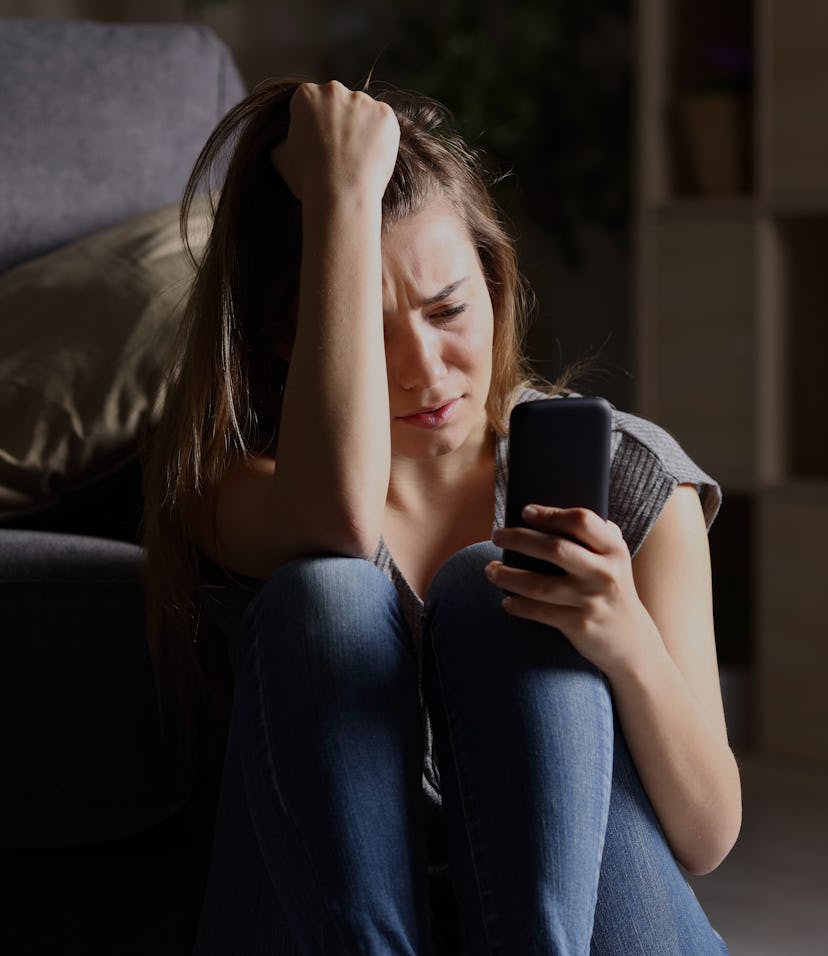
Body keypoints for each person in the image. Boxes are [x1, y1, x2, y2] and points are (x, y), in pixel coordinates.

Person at [143, 78, 741, 955]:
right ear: (292, 334)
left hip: (575, 929)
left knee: (489, 592)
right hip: (333, 928)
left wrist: (622, 638)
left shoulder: (630, 476)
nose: (425, 369)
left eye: (449, 309)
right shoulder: (233, 487)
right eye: (374, 327)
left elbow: (707, 836)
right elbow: (338, 517)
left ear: (495, 280)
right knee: (329, 597)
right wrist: (341, 196)